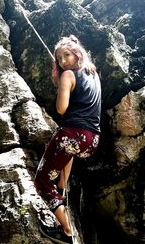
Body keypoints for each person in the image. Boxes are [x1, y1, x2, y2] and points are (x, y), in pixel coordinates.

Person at [34, 35, 101, 244]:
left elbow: (61, 108)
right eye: (59, 59)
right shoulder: (93, 75)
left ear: (77, 54)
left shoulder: (68, 76)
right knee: (68, 152)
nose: (63, 62)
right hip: (91, 141)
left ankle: (66, 231)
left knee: (42, 182)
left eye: (66, 55)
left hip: (73, 134)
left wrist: (63, 86)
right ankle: (62, 186)